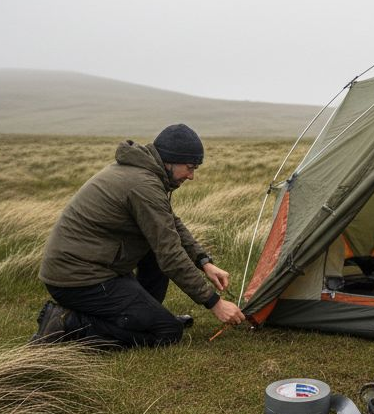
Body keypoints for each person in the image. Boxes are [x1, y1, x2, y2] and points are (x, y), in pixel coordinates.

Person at [31, 123, 246, 348]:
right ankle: (66, 323)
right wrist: (214, 303)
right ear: (169, 160)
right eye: (190, 167)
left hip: (93, 267)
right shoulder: (144, 185)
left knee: (155, 255)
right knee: (168, 332)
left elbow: (170, 223)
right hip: (78, 279)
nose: (191, 176)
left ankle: (145, 318)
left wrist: (204, 262)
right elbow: (171, 256)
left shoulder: (145, 174)